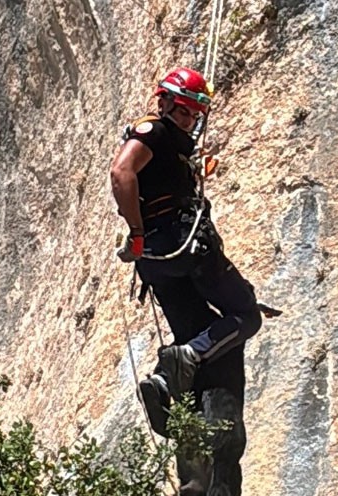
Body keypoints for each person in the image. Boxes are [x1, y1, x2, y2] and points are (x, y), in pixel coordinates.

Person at [109, 66, 262, 433]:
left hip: (156, 263)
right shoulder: (155, 132)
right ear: (164, 103)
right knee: (245, 313)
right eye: (183, 110)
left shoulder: (176, 146)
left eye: (194, 114)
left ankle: (164, 385)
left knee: (194, 330)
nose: (189, 120)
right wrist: (136, 231)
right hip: (182, 246)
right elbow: (121, 172)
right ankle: (183, 360)